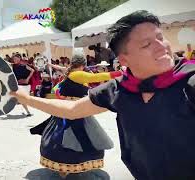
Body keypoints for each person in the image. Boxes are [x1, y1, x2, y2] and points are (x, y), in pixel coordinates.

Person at [11, 10, 195, 179]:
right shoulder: (119, 89)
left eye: (160, 37)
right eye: (147, 44)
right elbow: (73, 109)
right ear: (124, 59)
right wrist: (26, 98)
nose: (161, 46)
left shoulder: (190, 81)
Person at [30, 54, 116, 178]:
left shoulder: (70, 72)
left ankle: (63, 167)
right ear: (82, 65)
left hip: (68, 110)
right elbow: (98, 76)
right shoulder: (77, 75)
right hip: (75, 111)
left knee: (62, 139)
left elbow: (59, 68)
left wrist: (50, 65)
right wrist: (120, 74)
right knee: (77, 139)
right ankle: (71, 165)